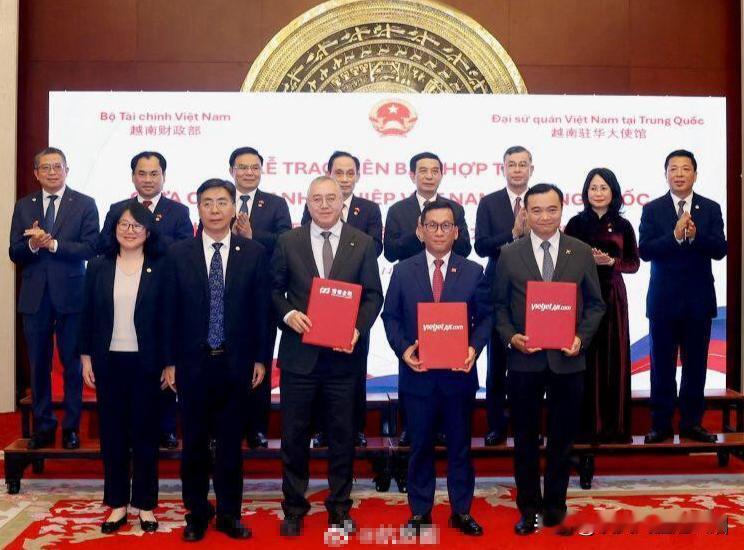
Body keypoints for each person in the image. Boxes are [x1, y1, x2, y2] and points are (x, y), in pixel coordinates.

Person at [272, 176, 383, 537]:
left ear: (341, 202)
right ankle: (294, 508)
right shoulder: (288, 241)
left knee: (342, 437)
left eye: (330, 198)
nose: (324, 205)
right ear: (306, 202)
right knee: (294, 437)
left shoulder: (362, 242)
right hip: (299, 358)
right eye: (317, 199)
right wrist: (289, 314)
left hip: (343, 359)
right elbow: (273, 291)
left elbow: (373, 295)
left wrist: (357, 328)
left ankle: (339, 508)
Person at [161, 179, 270, 541]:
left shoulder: (253, 252)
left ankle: (228, 514)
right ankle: (196, 513)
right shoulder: (179, 253)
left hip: (235, 363)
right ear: (198, 208)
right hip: (192, 364)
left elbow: (261, 311)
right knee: (193, 442)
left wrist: (260, 359)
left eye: (222, 202)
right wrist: (170, 361)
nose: (215, 209)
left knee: (230, 445)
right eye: (207, 202)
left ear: (233, 207)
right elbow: (169, 311)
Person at [493, 183, 605, 534]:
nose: (544, 217)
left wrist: (580, 339)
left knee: (562, 440)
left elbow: (596, 304)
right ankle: (529, 508)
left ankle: (555, 505)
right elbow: (498, 306)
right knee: (525, 440)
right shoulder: (509, 254)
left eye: (551, 209)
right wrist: (511, 337)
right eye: (537, 210)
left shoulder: (580, 251)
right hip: (524, 361)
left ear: (562, 209)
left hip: (568, 361)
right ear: (525, 213)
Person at [382, 200, 490, 537]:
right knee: (420, 448)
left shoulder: (473, 271)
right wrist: (404, 350)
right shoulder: (403, 271)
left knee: (460, 448)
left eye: (446, 226)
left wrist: (474, 348)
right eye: (432, 225)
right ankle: (420, 511)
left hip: (459, 376)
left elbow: (486, 317)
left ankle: (461, 511)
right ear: (420, 230)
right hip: (418, 376)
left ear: (456, 232)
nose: (439, 232)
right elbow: (390, 317)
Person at [99, 151, 193, 451]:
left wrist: (148, 232)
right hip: (125, 292)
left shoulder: (178, 211)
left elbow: (184, 250)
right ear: (133, 177)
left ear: (164, 176)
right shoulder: (117, 210)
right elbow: (103, 245)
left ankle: (166, 429)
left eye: (154, 174)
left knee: (161, 367)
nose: (148, 179)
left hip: (163, 295)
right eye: (142, 173)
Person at [79, 202, 163, 534]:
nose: (129, 231)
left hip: (147, 362)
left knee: (145, 435)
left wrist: (170, 362)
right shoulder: (98, 265)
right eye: (123, 225)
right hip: (109, 361)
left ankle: (145, 504)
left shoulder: (160, 266)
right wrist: (86, 357)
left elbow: (169, 317)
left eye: (137, 225)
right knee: (113, 436)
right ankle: (117, 504)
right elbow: (87, 314)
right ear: (114, 228)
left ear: (148, 232)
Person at [9, 147, 99, 450]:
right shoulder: (24, 206)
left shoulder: (84, 204)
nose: (52, 172)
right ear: (36, 173)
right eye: (45, 167)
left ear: (66, 170)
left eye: (57, 166)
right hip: (34, 298)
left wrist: (55, 244)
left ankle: (71, 427)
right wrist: (33, 246)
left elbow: (91, 248)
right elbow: (14, 252)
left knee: (72, 364)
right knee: (38, 365)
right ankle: (43, 426)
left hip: (72, 296)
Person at [639, 150, 727, 444]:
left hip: (698, 302)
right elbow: (645, 251)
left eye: (685, 169)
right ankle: (661, 425)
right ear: (665, 174)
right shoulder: (652, 209)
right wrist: (675, 236)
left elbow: (720, 249)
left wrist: (696, 235)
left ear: (695, 174)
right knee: (661, 367)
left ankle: (692, 423)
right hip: (663, 302)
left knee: (695, 366)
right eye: (673, 169)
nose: (679, 174)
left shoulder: (710, 208)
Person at [384, 151, 471, 446]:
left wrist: (441, 235)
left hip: (449, 291)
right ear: (412, 175)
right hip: (413, 290)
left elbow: (466, 248)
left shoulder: (454, 209)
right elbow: (390, 251)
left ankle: (445, 426)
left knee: (448, 368)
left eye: (435, 170)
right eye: (423, 170)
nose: (429, 175)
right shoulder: (398, 210)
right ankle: (412, 426)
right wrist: (420, 235)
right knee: (413, 362)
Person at [302, 150, 383, 448]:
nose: (345, 178)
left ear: (358, 176)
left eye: (351, 173)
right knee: (318, 369)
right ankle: (321, 428)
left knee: (354, 370)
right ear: (330, 174)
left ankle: (356, 427)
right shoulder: (315, 207)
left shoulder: (369, 208)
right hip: (318, 305)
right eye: (339, 172)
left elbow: (375, 247)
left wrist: (346, 248)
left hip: (354, 304)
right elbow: (307, 244)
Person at [564, 168, 639, 443]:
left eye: (603, 188)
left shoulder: (623, 225)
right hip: (582, 296)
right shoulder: (575, 224)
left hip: (613, 297)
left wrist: (611, 262)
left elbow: (633, 264)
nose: (598, 193)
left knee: (612, 358)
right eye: (593, 188)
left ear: (613, 192)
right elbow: (565, 259)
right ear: (586, 192)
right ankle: (585, 428)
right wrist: (587, 260)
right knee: (584, 358)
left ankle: (613, 427)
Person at [229, 146, 292, 449]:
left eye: (254, 167)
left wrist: (254, 236)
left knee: (260, 362)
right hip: (225, 295)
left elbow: (286, 241)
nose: (249, 172)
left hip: (262, 296)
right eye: (242, 167)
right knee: (226, 362)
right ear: (232, 171)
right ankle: (225, 426)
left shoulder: (276, 204)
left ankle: (257, 428)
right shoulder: (220, 200)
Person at [474, 145, 533, 446]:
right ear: (503, 168)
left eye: (523, 164)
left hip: (533, 293)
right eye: (512, 164)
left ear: (531, 169)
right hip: (497, 291)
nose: (518, 169)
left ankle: (527, 427)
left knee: (531, 364)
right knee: (496, 364)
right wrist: (513, 234)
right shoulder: (489, 203)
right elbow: (481, 246)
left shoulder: (541, 200)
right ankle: (496, 425)